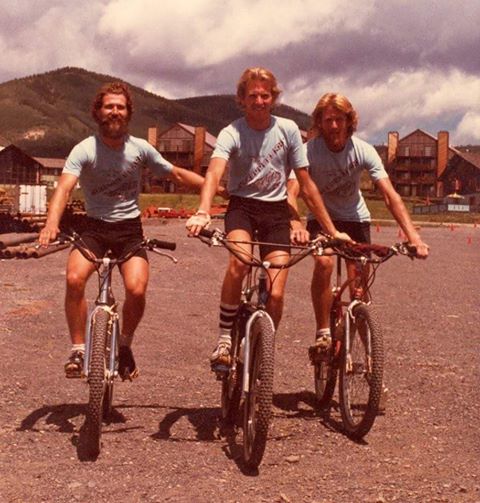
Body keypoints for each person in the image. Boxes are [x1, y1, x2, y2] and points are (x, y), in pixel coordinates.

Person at [39, 81, 207, 380]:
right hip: (94, 229)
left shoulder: (140, 148)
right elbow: (64, 187)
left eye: (120, 107)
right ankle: (78, 348)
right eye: (109, 106)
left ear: (128, 113)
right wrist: (51, 223)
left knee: (136, 289)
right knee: (74, 278)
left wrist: (215, 188)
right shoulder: (85, 149)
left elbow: (177, 173)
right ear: (98, 112)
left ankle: (125, 346)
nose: (114, 111)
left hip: (130, 231)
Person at [186, 67, 350, 370]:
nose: (259, 101)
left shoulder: (287, 129)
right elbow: (214, 172)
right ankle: (224, 339)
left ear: (273, 98)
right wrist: (203, 211)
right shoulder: (232, 132)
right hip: (242, 208)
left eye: (265, 95)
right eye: (252, 96)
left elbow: (306, 183)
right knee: (239, 261)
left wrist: (331, 230)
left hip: (276, 212)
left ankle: (262, 345)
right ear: (242, 99)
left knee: (275, 292)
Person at [288, 92, 429, 359]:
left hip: (355, 219)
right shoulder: (308, 152)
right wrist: (296, 222)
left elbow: (389, 195)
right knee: (324, 262)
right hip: (321, 220)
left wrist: (414, 237)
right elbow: (292, 191)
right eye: (327, 120)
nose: (333, 126)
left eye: (339, 119)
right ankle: (323, 334)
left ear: (349, 121)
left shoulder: (363, 150)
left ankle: (371, 361)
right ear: (319, 122)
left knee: (359, 290)